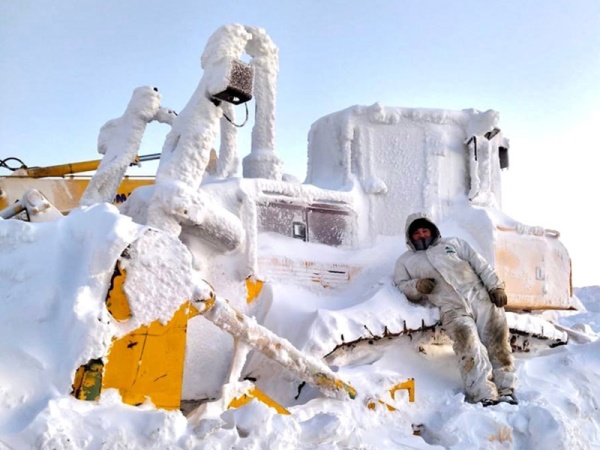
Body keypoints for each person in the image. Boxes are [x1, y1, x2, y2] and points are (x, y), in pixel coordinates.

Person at [393, 212, 517, 406]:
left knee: (498, 342)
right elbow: (400, 285)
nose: (422, 235)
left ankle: (506, 389)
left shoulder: (454, 244)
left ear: (432, 230)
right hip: (452, 308)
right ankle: (483, 393)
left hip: (481, 299)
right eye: (416, 233)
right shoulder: (406, 261)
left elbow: (481, 265)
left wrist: (496, 287)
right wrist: (417, 286)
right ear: (410, 236)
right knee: (469, 346)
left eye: (425, 230)